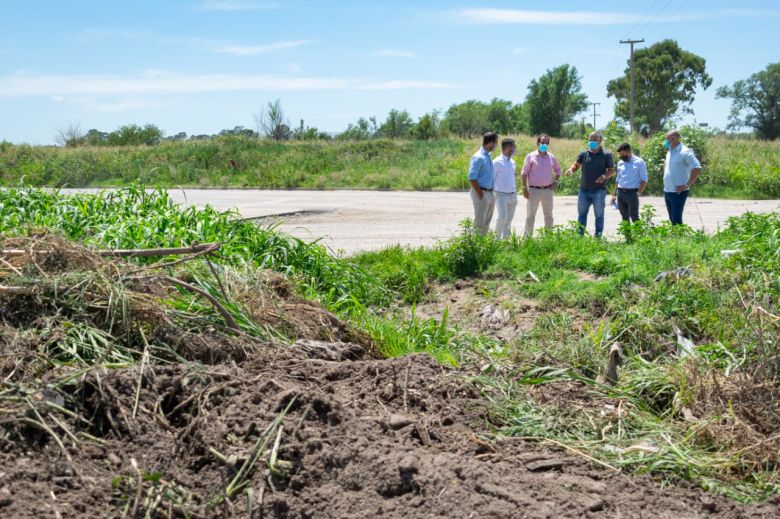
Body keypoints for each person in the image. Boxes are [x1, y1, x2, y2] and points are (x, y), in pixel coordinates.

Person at [567, 132, 615, 237]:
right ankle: (580, 236)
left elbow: (612, 170)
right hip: (584, 190)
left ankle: (598, 237)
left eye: (594, 140)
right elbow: (576, 165)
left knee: (599, 215)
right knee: (582, 214)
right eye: (590, 139)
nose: (592, 142)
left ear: (600, 141)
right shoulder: (583, 154)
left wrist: (603, 176)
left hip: (599, 191)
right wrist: (571, 170)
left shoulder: (606, 154)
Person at [521, 134, 562, 237]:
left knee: (548, 215)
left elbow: (558, 170)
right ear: (537, 143)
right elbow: (524, 173)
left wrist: (556, 182)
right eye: (542, 142)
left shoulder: (551, 157)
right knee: (530, 215)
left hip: (547, 190)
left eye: (546, 143)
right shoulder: (530, 156)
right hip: (533, 190)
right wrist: (524, 188)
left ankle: (548, 238)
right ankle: (527, 239)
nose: (544, 144)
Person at [663, 130, 702, 225]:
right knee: (672, 219)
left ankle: (679, 238)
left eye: (667, 139)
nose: (666, 142)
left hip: (678, 191)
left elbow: (697, 167)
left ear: (674, 138)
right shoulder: (670, 152)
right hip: (667, 190)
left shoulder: (685, 152)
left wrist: (687, 185)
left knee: (676, 220)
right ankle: (676, 237)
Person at [468, 132, 498, 234]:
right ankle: (475, 245)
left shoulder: (487, 156)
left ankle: (483, 245)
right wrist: (480, 193)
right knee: (479, 222)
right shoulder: (478, 157)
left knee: (486, 222)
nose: (496, 145)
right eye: (495, 143)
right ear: (490, 143)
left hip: (489, 193)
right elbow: (472, 177)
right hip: (481, 192)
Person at [610, 143, 647, 222]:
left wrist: (638, 193)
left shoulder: (639, 162)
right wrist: (614, 194)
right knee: (624, 217)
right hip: (620, 193)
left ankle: (638, 234)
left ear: (629, 151)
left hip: (632, 193)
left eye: (622, 154)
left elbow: (644, 180)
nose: (621, 156)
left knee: (634, 217)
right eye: (620, 155)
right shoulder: (620, 163)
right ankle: (628, 235)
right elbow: (618, 179)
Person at [493, 138, 518, 239]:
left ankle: (506, 240)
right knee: (502, 217)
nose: (515, 149)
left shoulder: (512, 161)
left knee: (509, 219)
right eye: (513, 146)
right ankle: (496, 240)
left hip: (513, 195)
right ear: (507, 147)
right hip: (501, 195)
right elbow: (492, 178)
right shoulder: (496, 162)